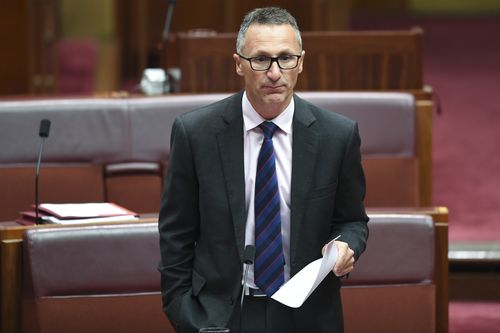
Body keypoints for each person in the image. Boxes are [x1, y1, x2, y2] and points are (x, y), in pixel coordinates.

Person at [158, 7, 369, 333]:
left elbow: (352, 220)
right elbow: (176, 235)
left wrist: (344, 246)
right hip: (221, 315)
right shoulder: (196, 133)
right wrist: (186, 315)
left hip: (307, 314)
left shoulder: (336, 136)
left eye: (286, 58)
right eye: (260, 59)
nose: (274, 72)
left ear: (301, 62)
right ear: (239, 64)